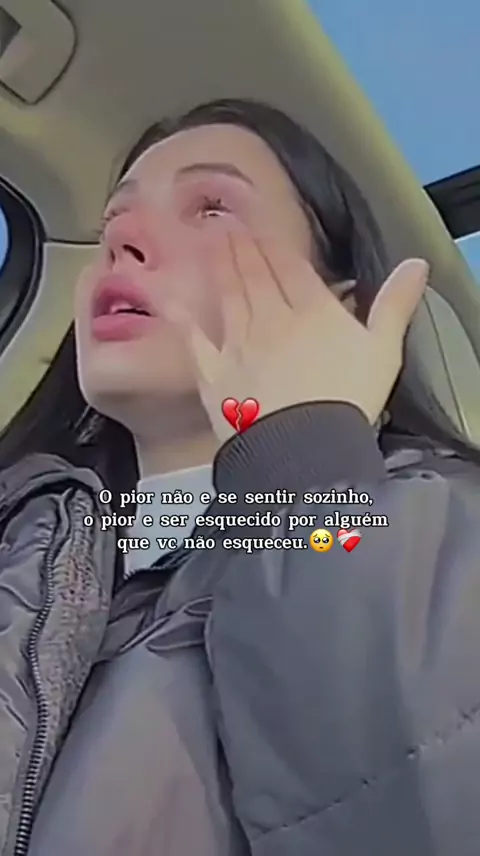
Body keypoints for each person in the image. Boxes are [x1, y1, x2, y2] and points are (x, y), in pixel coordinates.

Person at [0, 98, 480, 856]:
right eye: (113, 219)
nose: (121, 239)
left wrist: (302, 466)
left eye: (211, 208)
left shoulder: (443, 524)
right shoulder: (22, 539)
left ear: (341, 310)